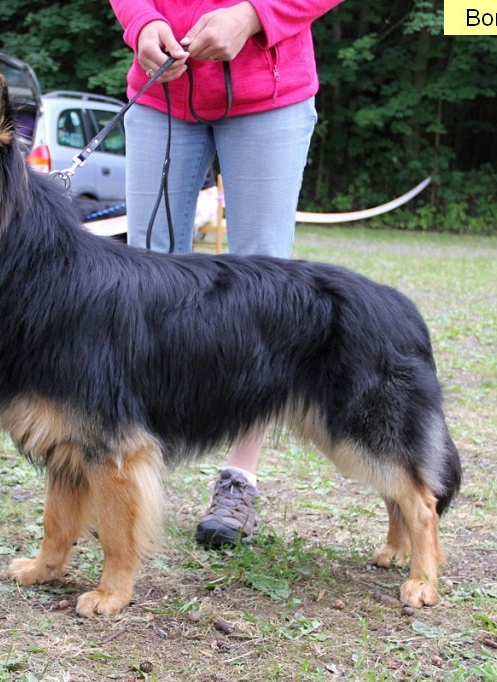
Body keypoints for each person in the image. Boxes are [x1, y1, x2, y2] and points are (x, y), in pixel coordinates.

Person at [111, 0, 342, 547]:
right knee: (141, 289)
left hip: (270, 97)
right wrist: (142, 22)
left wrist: (257, 15)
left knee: (268, 295)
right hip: (162, 94)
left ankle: (239, 478)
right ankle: (124, 466)